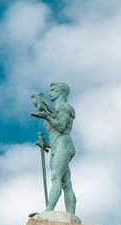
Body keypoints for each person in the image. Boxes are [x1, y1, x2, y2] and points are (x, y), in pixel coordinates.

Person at [31, 82, 77, 214]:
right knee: (66, 183)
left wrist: (46, 116)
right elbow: (55, 137)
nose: (50, 92)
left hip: (64, 144)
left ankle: (48, 210)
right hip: (57, 146)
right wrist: (45, 144)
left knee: (56, 176)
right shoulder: (54, 110)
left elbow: (61, 127)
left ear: (61, 91)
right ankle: (71, 215)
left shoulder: (65, 107)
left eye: (53, 90)